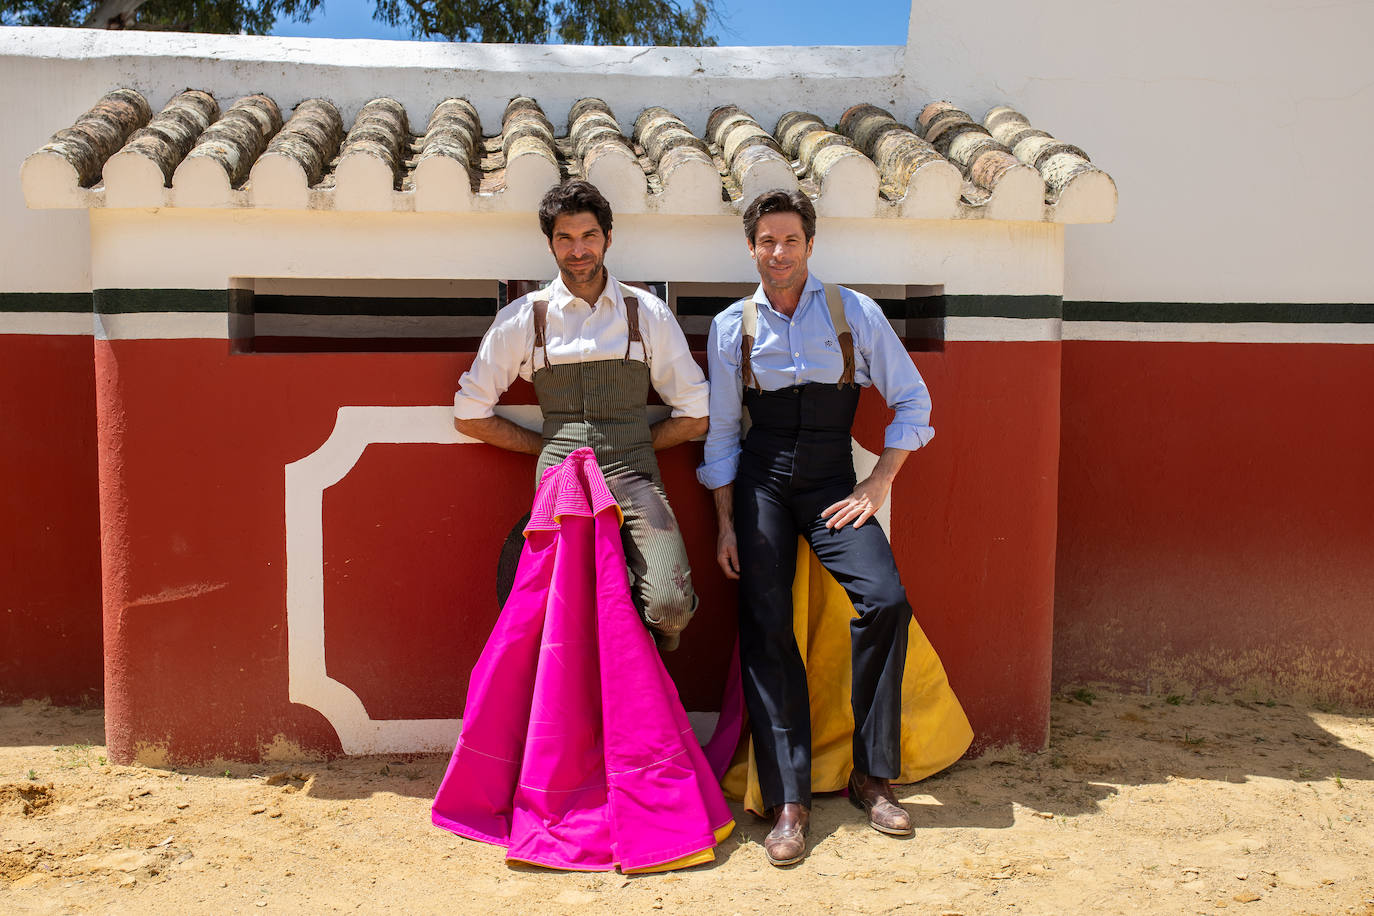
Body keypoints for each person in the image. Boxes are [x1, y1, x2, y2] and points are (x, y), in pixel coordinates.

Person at [698, 189, 936, 867]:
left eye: (791, 241)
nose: (779, 253)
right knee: (766, 621)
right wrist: (725, 523)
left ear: (810, 245)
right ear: (751, 248)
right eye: (767, 241)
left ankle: (872, 774)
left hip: (835, 483)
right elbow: (720, 434)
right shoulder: (730, 327)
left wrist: (878, 482)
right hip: (764, 482)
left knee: (885, 600)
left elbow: (913, 400)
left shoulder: (854, 313)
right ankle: (789, 799)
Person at [453, 179, 709, 650]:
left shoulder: (646, 312)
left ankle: (636, 692)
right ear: (550, 243)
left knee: (669, 606)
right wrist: (551, 446)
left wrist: (628, 441)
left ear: (608, 238)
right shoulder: (524, 318)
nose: (578, 250)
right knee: (563, 615)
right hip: (561, 480)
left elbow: (695, 415)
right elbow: (469, 414)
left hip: (633, 475)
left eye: (589, 236)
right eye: (565, 238)